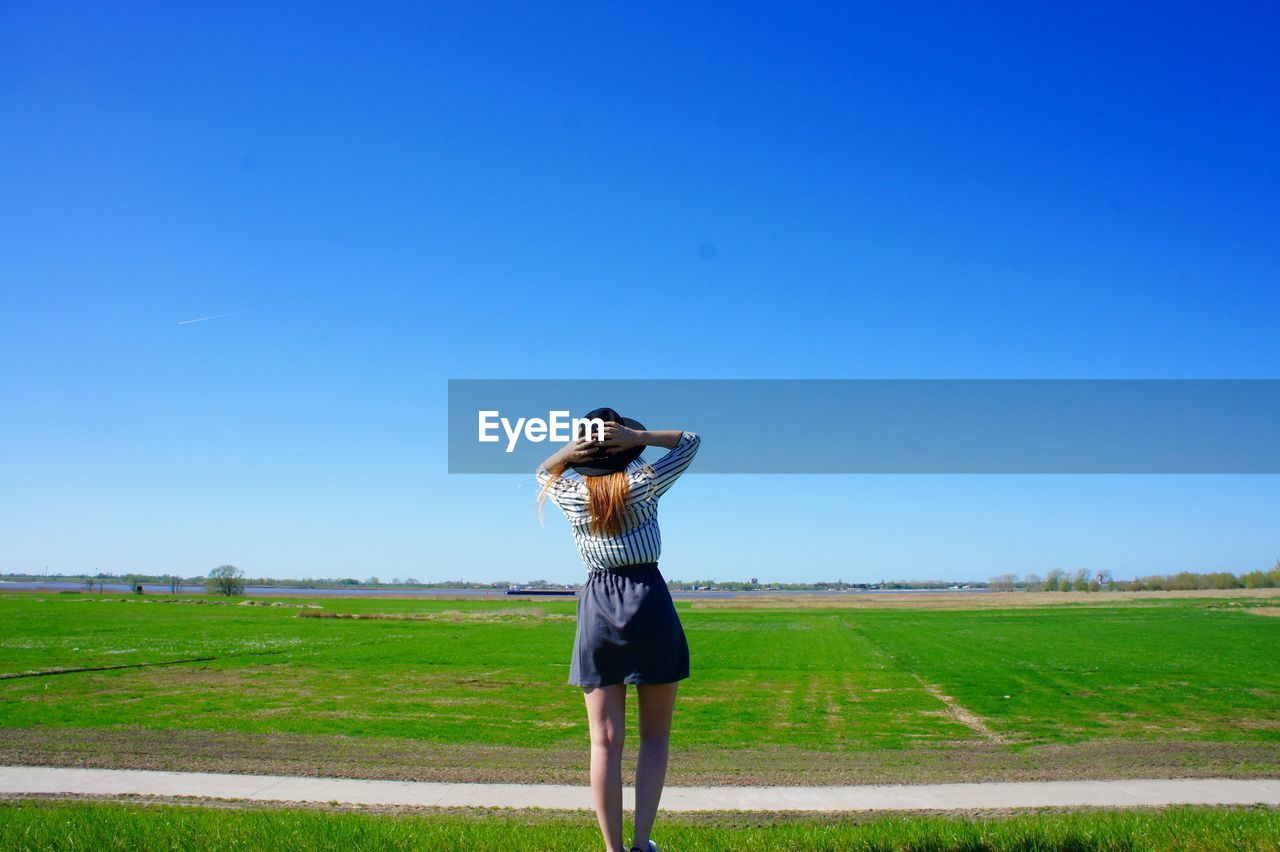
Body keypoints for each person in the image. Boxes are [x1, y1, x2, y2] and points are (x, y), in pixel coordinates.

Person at [536, 407, 701, 852]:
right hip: (647, 600)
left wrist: (569, 452)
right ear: (625, 450)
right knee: (655, 735)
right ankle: (642, 843)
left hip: (597, 608)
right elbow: (691, 442)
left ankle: (612, 850)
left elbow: (542, 471)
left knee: (604, 741)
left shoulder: (570, 495)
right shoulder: (642, 483)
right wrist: (636, 435)